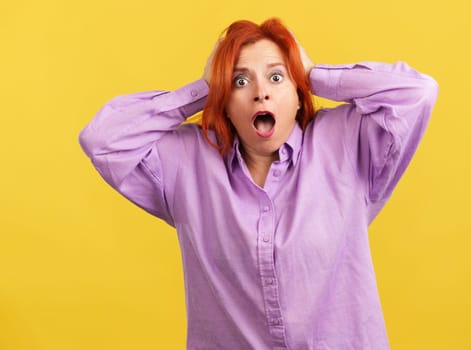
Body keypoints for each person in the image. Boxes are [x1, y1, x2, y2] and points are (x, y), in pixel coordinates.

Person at [79, 18, 438, 350]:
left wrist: (313, 73)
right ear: (225, 104)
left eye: (277, 77)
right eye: (240, 80)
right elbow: (103, 140)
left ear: (299, 97)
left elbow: (417, 92)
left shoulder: (346, 144)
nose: (260, 92)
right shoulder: (186, 162)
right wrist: (204, 88)